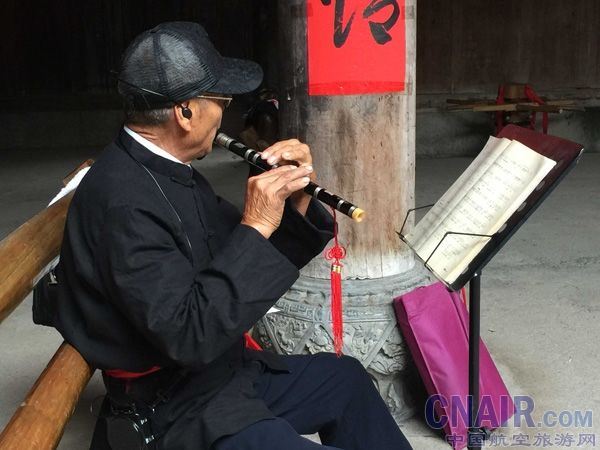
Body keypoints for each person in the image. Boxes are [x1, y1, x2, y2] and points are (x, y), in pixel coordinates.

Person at [54, 22, 413, 450]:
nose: (227, 115)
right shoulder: (123, 203)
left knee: (344, 379)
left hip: (220, 375)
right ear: (185, 112)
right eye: (221, 101)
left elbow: (240, 260)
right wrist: (256, 222)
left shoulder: (167, 169)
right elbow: (190, 336)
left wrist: (295, 200)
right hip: (175, 408)